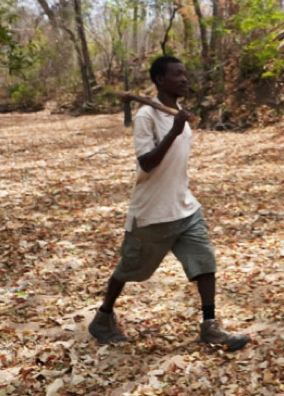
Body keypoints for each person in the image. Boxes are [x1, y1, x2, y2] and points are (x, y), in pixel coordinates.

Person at [88, 56, 249, 352]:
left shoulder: (179, 114)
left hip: (184, 207)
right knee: (129, 268)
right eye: (177, 74)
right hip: (152, 213)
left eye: (185, 73)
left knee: (204, 262)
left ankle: (210, 326)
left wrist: (178, 126)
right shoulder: (146, 117)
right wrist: (173, 130)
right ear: (160, 80)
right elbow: (147, 163)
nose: (184, 79)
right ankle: (102, 318)